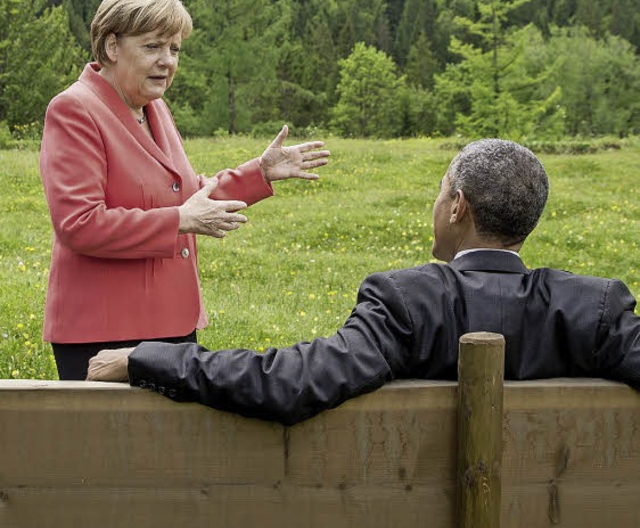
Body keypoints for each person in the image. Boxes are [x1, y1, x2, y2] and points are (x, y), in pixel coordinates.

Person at [87, 138, 640, 416]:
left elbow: (289, 381)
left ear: (457, 208)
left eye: (441, 190)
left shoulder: (407, 303)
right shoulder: (594, 310)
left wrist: (146, 358)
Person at [41, 0, 330, 380]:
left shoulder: (155, 108)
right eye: (153, 47)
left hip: (173, 327)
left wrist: (259, 173)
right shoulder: (74, 109)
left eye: (174, 49)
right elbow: (80, 224)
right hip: (104, 334)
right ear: (111, 46)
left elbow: (188, 195)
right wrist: (177, 220)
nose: (168, 61)